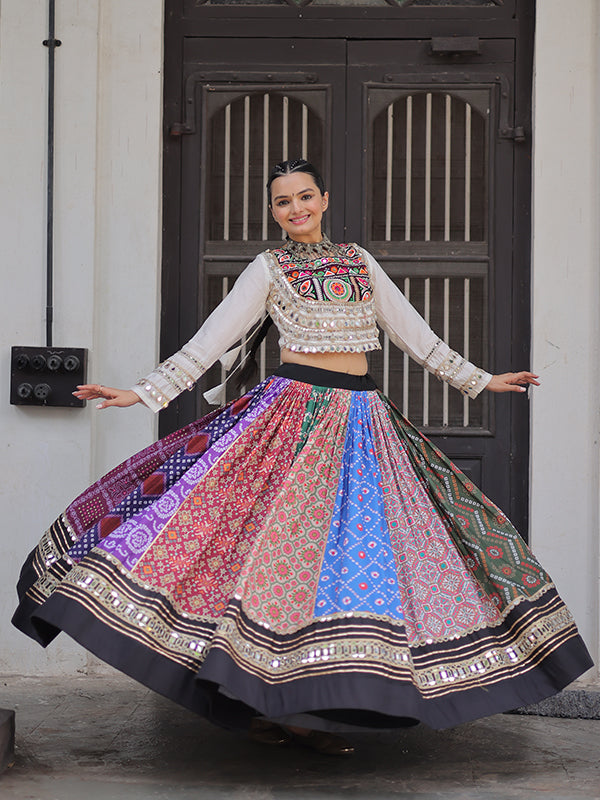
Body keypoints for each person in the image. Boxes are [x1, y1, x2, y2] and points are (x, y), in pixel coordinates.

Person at [13, 159, 592, 756]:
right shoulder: (268, 269)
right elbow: (210, 341)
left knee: (350, 568)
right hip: (292, 420)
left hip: (364, 424)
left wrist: (481, 381)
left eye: (305, 196)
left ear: (325, 199)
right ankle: (268, 701)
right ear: (273, 211)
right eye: (283, 202)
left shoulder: (359, 262)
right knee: (273, 560)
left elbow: (415, 336)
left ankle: (312, 704)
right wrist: (141, 392)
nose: (296, 209)